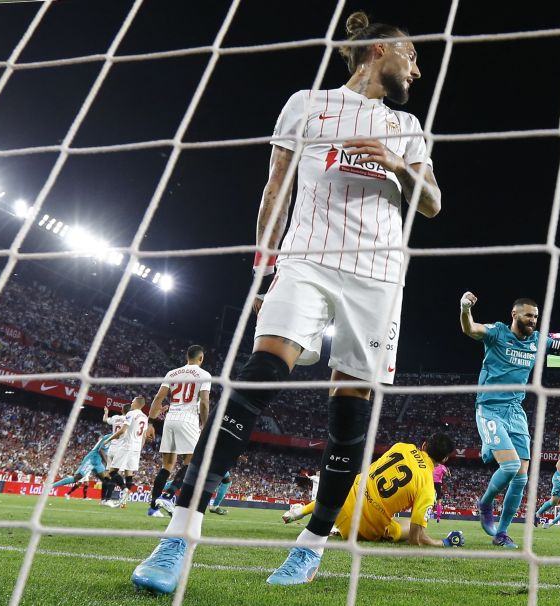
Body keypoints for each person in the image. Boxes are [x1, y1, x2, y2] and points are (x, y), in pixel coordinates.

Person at [132, 10, 441, 594]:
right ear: (379, 50)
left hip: (378, 276)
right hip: (307, 259)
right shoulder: (307, 104)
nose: (418, 70)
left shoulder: (406, 126)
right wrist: (262, 271)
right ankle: (178, 535)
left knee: (349, 411)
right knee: (259, 375)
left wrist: (400, 165)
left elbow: (432, 203)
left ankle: (311, 545)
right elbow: (276, 187)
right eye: (413, 55)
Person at [460, 292, 560, 548]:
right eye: (528, 315)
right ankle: (486, 502)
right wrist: (465, 308)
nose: (533, 320)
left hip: (515, 412)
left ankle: (501, 533)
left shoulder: (538, 341)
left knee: (521, 477)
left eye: (536, 316)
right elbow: (470, 329)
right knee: (511, 467)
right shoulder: (497, 333)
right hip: (490, 408)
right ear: (514, 314)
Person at [267, 434, 463, 585]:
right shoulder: (427, 486)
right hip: (361, 528)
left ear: (424, 445)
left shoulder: (401, 446)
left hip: (340, 503)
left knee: (357, 483)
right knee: (403, 525)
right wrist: (442, 543)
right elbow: (415, 539)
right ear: (445, 459)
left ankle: (302, 511)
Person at [146, 345, 211, 517]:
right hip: (188, 420)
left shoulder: (172, 373)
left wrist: (150, 422)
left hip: (170, 420)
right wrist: (205, 425)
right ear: (201, 358)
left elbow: (158, 398)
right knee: (192, 462)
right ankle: (168, 496)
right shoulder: (204, 375)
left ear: (186, 357)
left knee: (167, 466)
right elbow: (204, 402)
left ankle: (153, 508)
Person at [106, 397, 152, 508]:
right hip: (136, 448)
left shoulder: (131, 414)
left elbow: (122, 430)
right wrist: (140, 448)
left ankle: (124, 489)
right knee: (129, 474)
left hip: (127, 445)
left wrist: (109, 439)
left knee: (112, 471)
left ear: (137, 403)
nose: (131, 403)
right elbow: (144, 436)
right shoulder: (145, 417)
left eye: (132, 401)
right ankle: (124, 502)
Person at [51, 432, 118, 499]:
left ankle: (105, 500)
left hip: (98, 462)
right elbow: (101, 450)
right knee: (76, 478)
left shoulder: (115, 441)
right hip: (92, 459)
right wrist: (108, 463)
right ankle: (50, 486)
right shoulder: (109, 437)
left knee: (106, 479)